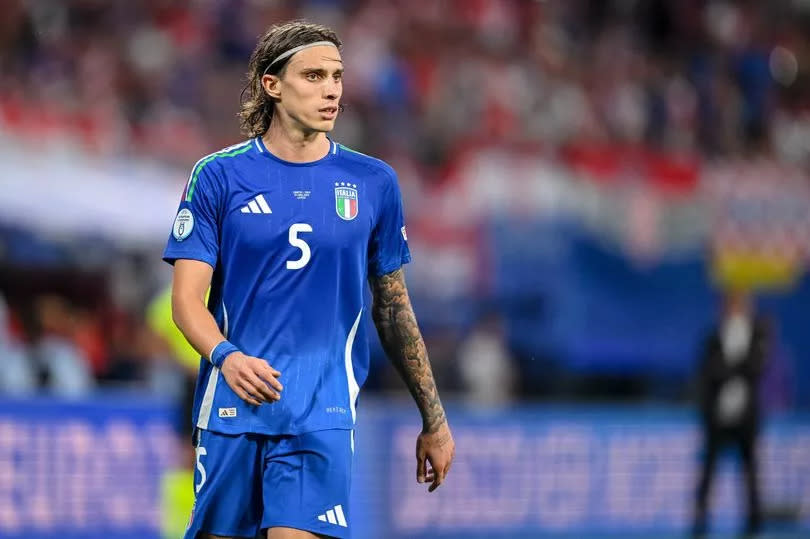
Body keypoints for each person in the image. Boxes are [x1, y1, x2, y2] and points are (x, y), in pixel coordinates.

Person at [163, 20, 455, 539]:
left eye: (337, 77)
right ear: (272, 86)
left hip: (322, 411)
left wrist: (434, 419)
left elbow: (392, 309)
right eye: (314, 75)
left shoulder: (373, 183)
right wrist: (227, 357)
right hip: (233, 407)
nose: (332, 90)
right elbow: (186, 301)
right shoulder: (218, 176)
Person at [693, 290, 767, 538]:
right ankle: (700, 521)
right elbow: (709, 372)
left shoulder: (758, 335)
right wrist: (735, 367)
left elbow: (755, 368)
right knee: (709, 471)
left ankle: (753, 522)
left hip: (746, 418)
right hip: (717, 418)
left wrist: (729, 367)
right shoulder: (713, 337)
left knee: (749, 471)